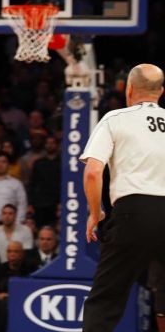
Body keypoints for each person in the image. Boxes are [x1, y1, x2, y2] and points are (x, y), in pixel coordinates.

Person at [81, 64, 165, 331]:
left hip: (134, 212)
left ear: (129, 89)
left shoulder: (115, 119)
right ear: (161, 92)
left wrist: (96, 213)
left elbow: (93, 172)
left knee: (106, 298)